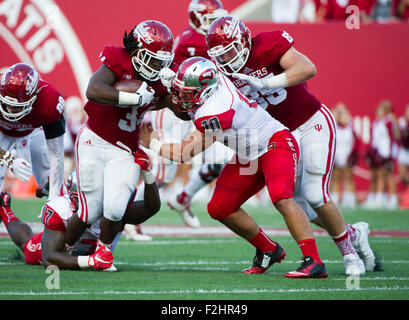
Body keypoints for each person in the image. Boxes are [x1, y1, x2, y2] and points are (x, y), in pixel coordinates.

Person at [205, 16, 375, 275]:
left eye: (230, 51)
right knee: (300, 204)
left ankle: (348, 254)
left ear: (243, 41)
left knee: (315, 193)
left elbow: (307, 68)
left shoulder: (268, 44)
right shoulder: (223, 73)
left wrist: (267, 82)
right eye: (221, 55)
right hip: (277, 135)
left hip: (309, 123)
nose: (227, 60)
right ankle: (353, 233)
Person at [142, 57, 328, 278]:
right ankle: (268, 249)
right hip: (248, 154)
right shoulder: (212, 83)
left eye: (187, 94)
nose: (181, 98)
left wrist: (152, 143)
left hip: (274, 144)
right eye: (181, 92)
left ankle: (313, 261)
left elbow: (185, 152)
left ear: (206, 91)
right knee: (220, 207)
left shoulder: (216, 110)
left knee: (281, 196)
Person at [64, 20, 175, 257]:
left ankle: (102, 254)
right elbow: (93, 91)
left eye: (161, 60)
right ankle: (64, 248)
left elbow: (181, 111)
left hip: (125, 149)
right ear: (136, 52)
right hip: (94, 139)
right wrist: (135, 100)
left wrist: (181, 92)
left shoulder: (160, 78)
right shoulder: (118, 58)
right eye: (153, 58)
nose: (157, 65)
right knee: (89, 210)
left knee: (115, 207)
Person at [0, 152, 160, 270]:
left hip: (87, 247)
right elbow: (49, 258)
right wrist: (91, 261)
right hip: (64, 247)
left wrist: (147, 173)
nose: (89, 200)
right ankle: (4, 209)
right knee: (27, 246)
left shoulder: (113, 205)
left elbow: (151, 207)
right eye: (83, 195)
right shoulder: (62, 208)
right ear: (72, 195)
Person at [157, 0, 232, 228]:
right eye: (210, 18)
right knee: (165, 170)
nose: (215, 24)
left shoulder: (197, 36)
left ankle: (183, 198)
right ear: (197, 18)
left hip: (204, 106)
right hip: (184, 106)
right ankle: (129, 214)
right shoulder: (193, 40)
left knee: (219, 158)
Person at [0, 63, 65, 200]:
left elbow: (57, 155)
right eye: (7, 104)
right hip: (1, 132)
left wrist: (53, 194)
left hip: (33, 131)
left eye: (17, 106)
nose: (10, 110)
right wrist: (8, 159)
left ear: (34, 97)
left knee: (52, 185)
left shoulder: (49, 101)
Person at [362, 100, 399, 209]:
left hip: (386, 152)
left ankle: (392, 199)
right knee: (376, 175)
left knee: (388, 175)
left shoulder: (389, 121)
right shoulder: (376, 122)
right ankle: (375, 197)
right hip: (377, 153)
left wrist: (389, 154)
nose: (378, 112)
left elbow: (394, 137)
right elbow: (374, 139)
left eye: (381, 110)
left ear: (386, 111)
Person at [330, 103, 360, 208]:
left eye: (342, 112)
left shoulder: (350, 126)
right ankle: (335, 199)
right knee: (335, 178)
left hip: (347, 155)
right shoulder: (334, 125)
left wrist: (353, 155)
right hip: (336, 155)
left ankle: (350, 199)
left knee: (348, 178)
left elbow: (356, 141)